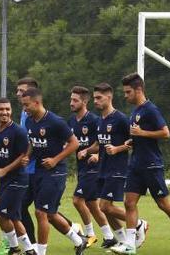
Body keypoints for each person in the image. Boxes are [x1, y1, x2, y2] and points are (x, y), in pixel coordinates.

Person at [115, 73, 170, 255]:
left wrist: (142, 134)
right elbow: (139, 135)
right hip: (136, 164)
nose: (125, 96)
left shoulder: (151, 110)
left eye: (128, 92)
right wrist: (132, 142)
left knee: (163, 204)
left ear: (138, 90)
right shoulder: (135, 111)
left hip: (151, 164)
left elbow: (165, 133)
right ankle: (130, 245)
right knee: (129, 203)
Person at [22, 86, 87, 255]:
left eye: (27, 105)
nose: (24, 108)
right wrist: (27, 156)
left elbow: (75, 143)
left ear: (37, 103)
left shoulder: (55, 121)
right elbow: (32, 142)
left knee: (40, 212)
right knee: (50, 214)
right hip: (38, 171)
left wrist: (55, 159)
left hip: (56, 172)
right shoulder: (30, 121)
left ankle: (41, 252)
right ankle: (79, 240)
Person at [0, 98, 37, 255]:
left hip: (18, 179)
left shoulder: (18, 131)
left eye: (7, 109)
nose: (4, 112)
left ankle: (17, 248)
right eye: (1, 109)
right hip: (4, 181)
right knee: (12, 217)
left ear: (11, 111)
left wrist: (5, 170)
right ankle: (27, 250)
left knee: (1, 214)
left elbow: (23, 156)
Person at [89, 83, 131, 250]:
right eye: (94, 98)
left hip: (117, 168)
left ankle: (140, 223)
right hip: (103, 168)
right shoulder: (100, 120)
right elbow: (101, 144)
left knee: (104, 206)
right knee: (104, 209)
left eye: (99, 98)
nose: (96, 101)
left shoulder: (120, 119)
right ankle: (121, 240)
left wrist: (117, 149)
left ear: (109, 97)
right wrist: (92, 153)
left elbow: (134, 141)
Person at [68, 86, 107, 249]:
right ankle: (109, 236)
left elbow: (103, 143)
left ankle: (90, 235)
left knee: (77, 200)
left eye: (75, 100)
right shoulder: (71, 121)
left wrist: (95, 154)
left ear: (85, 102)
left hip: (94, 168)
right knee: (92, 204)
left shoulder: (93, 120)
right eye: (71, 99)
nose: (71, 103)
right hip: (82, 168)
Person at [15, 77, 40, 243]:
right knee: (21, 206)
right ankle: (31, 243)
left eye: (21, 91)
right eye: (17, 91)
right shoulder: (24, 113)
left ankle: (74, 231)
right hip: (26, 169)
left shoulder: (37, 116)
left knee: (44, 210)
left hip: (38, 170)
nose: (18, 94)